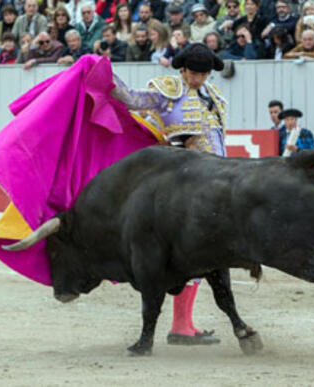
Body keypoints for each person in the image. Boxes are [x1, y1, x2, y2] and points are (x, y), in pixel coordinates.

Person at [110, 43, 227, 346]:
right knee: (196, 251)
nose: (199, 78)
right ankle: (180, 326)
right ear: (183, 69)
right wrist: (105, 75)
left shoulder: (211, 96)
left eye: (204, 73)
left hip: (217, 177)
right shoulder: (168, 89)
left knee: (207, 252)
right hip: (186, 183)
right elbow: (132, 100)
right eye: (194, 73)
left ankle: (182, 324)